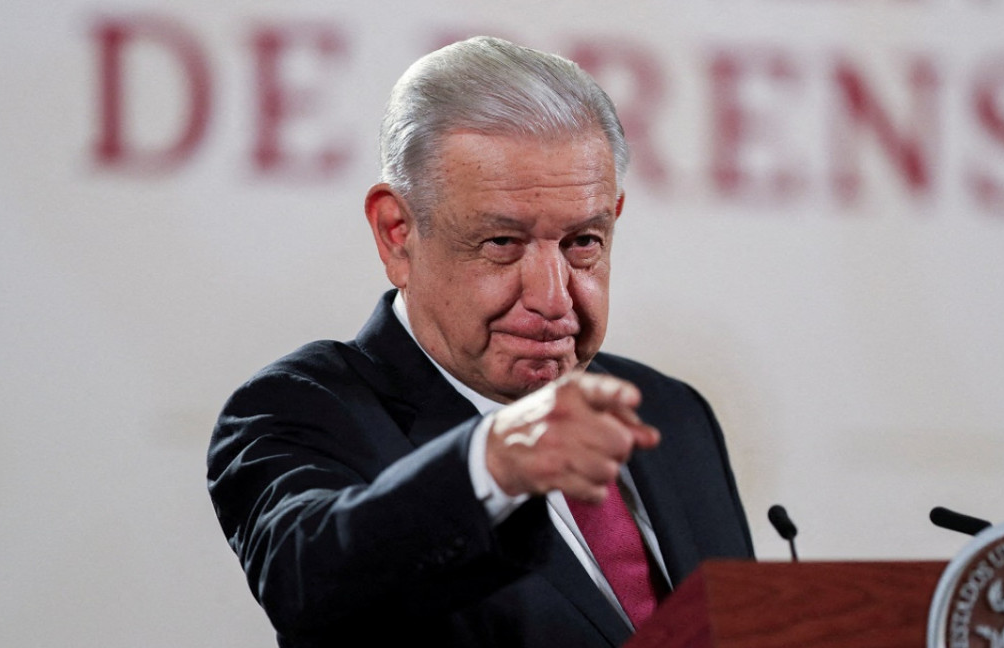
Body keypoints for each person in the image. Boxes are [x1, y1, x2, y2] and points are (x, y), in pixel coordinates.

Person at [207, 36, 753, 648]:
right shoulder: (300, 408)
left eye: (582, 243)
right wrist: (491, 464)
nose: (553, 297)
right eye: (501, 243)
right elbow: (306, 582)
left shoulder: (668, 411)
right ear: (397, 233)